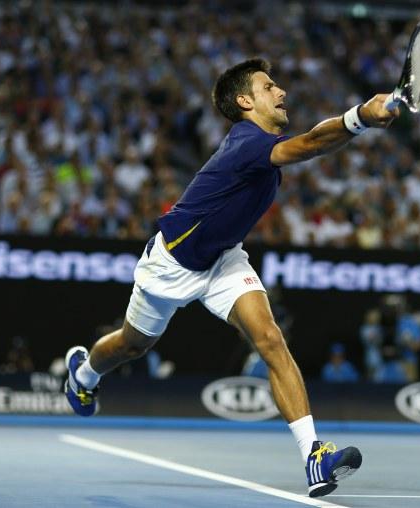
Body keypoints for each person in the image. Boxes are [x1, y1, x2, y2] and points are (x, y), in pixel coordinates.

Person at [63, 58, 399, 497]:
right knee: (132, 344)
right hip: (170, 265)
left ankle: (314, 457)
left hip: (223, 261)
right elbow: (314, 144)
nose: (281, 92)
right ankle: (84, 376)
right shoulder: (246, 144)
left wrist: (368, 117)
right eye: (269, 86)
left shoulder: (260, 143)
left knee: (271, 339)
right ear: (245, 101)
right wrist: (360, 117)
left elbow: (312, 142)